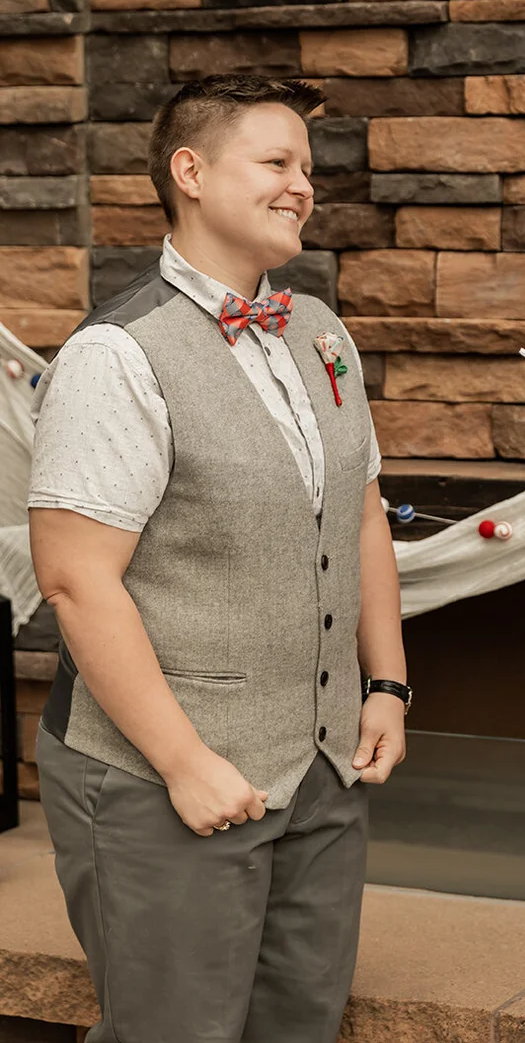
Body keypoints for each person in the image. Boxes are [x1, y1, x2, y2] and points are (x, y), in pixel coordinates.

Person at [29, 74, 410, 1043]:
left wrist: (387, 687)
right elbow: (77, 579)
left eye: (307, 169)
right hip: (165, 782)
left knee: (300, 1028)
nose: (302, 186)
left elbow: (362, 517)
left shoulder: (321, 334)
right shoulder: (117, 355)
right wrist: (185, 760)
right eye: (276, 163)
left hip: (322, 780)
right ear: (188, 173)